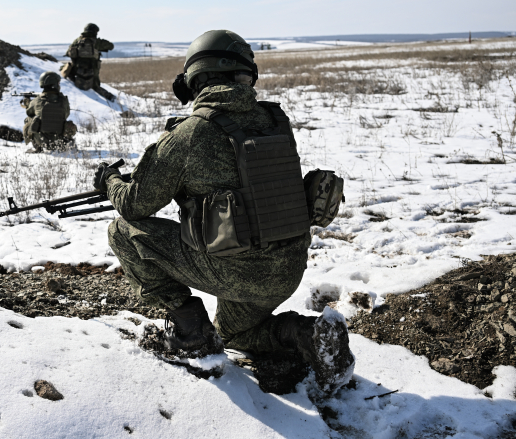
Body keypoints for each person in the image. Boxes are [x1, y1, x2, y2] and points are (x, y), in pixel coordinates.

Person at [93, 30, 354, 394]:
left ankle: (191, 335)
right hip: (287, 269)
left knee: (122, 231)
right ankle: (308, 334)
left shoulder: (189, 134)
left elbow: (134, 204)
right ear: (246, 74)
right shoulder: (276, 122)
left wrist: (109, 182)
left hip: (235, 271)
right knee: (237, 333)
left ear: (196, 78)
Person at [22, 71, 77, 152]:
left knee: (28, 119)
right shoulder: (63, 101)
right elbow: (66, 115)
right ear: (54, 84)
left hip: (41, 141)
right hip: (60, 141)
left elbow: (29, 112)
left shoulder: (36, 101)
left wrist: (28, 103)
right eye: (58, 83)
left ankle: (37, 148)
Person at [64, 23, 115, 100]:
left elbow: (68, 52)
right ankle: (110, 98)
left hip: (77, 69)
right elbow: (111, 46)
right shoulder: (96, 42)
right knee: (95, 86)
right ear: (94, 32)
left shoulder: (77, 41)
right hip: (93, 69)